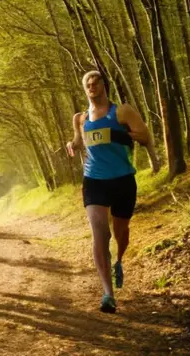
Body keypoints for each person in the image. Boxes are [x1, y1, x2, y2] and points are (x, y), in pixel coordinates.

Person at [66, 70, 152, 314]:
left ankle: (119, 261)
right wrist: (71, 145)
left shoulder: (122, 111)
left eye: (96, 82)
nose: (92, 86)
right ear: (84, 89)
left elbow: (144, 136)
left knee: (120, 232)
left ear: (104, 85)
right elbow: (79, 141)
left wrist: (116, 133)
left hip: (123, 179)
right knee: (99, 233)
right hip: (94, 180)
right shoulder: (80, 118)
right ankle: (108, 294)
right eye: (87, 84)